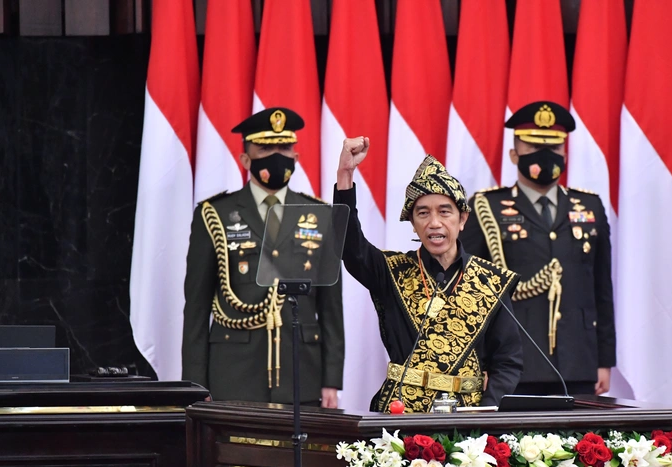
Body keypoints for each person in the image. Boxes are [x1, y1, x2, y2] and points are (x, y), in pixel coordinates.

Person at [334, 137, 523, 413]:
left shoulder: (490, 281)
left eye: (445, 212)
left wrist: (486, 415)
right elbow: (350, 246)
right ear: (413, 224)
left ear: (463, 219)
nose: (434, 223)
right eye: (423, 213)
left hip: (467, 424)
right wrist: (345, 176)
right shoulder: (391, 271)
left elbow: (507, 360)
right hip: (401, 418)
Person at [182, 107, 345, 407]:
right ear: (246, 159)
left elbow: (331, 307)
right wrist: (195, 384)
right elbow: (196, 308)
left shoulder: (320, 215)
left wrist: (331, 380)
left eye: (284, 147)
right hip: (233, 373)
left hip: (302, 372)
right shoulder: (214, 215)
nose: (277, 155)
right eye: (265, 148)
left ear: (296, 157)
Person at [460, 100, 615, 396]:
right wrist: (476, 362)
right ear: (514, 154)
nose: (546, 157)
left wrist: (604, 359)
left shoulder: (590, 206)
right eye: (533, 149)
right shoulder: (486, 207)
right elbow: (471, 292)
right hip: (511, 362)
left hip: (578, 360)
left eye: (554, 149)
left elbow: (601, 289)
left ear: (565, 154)